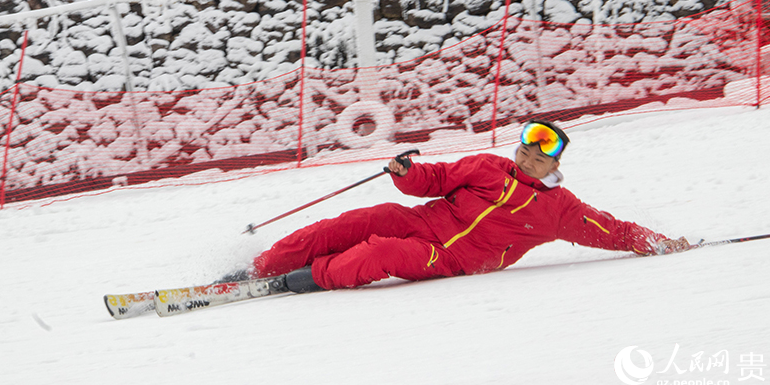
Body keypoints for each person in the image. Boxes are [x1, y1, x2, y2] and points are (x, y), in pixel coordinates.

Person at [231, 119, 689, 293]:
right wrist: (407, 173)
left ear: (553, 163)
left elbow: (610, 229)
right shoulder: (487, 166)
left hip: (453, 259)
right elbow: (435, 180)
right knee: (358, 221)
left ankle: (300, 280)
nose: (529, 160)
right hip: (421, 220)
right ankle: (260, 269)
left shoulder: (561, 210)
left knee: (379, 252)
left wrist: (658, 242)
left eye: (541, 156)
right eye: (526, 150)